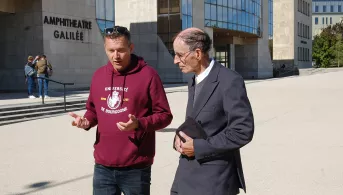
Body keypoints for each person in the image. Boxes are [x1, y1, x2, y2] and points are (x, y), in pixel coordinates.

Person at [68, 25, 173, 195]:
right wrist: (86, 120)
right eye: (111, 50)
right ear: (105, 48)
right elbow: (93, 110)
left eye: (121, 50)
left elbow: (165, 116)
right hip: (103, 166)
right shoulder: (99, 76)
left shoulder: (148, 75)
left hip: (136, 166)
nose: (115, 56)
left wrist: (140, 123)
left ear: (131, 48)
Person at [170, 28, 255, 195]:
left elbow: (243, 131)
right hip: (187, 173)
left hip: (214, 180)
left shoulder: (229, 80)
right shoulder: (193, 80)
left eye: (180, 55)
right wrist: (180, 135)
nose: (175, 60)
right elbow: (201, 120)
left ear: (198, 53)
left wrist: (199, 147)